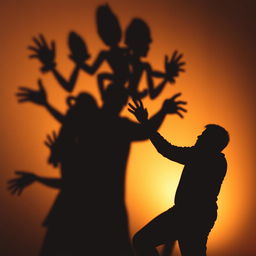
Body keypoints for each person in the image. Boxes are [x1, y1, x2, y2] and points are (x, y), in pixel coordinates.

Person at [128, 98, 229, 256]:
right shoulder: (216, 160)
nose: (198, 137)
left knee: (142, 240)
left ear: (211, 142)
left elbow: (166, 149)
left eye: (203, 136)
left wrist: (145, 123)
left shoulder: (205, 157)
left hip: (188, 215)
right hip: (195, 215)